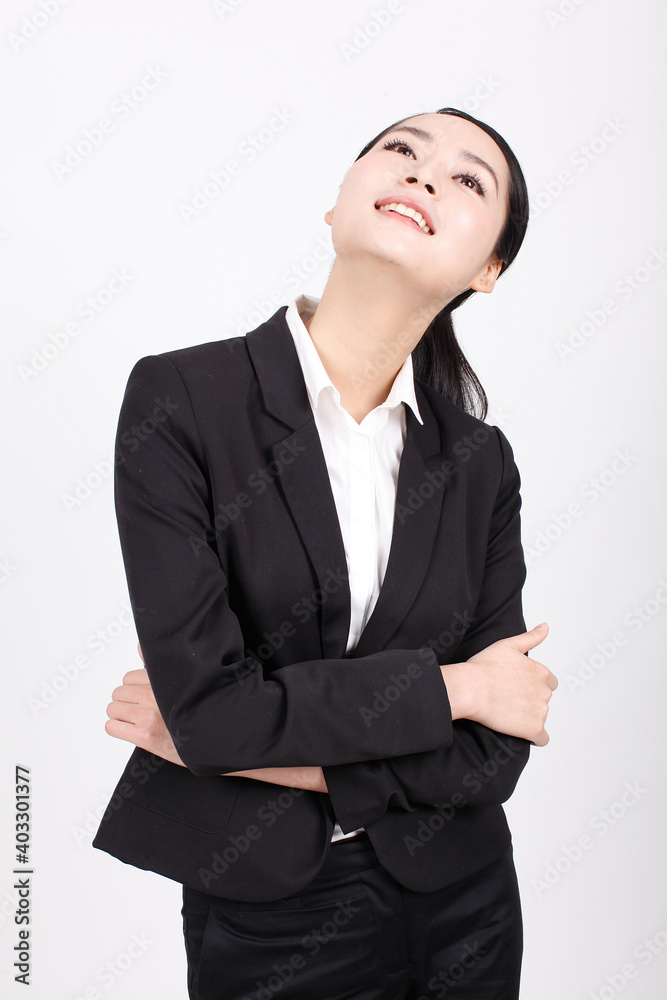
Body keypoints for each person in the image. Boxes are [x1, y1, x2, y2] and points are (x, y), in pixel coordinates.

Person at [93, 106, 558, 999]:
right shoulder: (183, 399)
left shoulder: (477, 461)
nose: (423, 175)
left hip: (466, 898)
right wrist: (456, 690)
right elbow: (212, 718)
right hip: (271, 917)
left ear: (489, 269)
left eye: (468, 180)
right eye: (399, 151)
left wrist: (243, 740)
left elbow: (492, 760)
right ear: (336, 206)